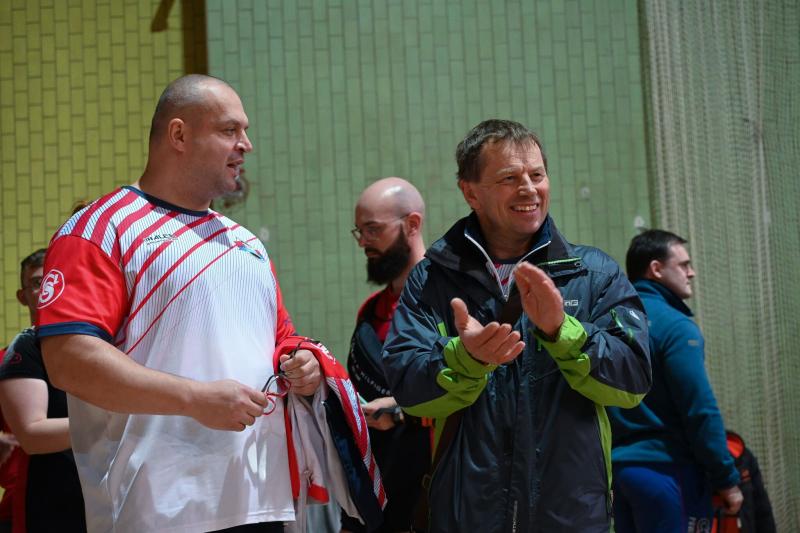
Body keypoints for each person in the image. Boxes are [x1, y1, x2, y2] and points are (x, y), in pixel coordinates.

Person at [37, 74, 323, 532]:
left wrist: (302, 363)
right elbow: (69, 360)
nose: (246, 144)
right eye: (229, 130)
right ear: (179, 135)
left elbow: (281, 341)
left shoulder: (247, 245)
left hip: (261, 503)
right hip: (156, 512)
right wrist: (194, 398)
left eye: (244, 131)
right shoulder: (100, 230)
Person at [381, 119, 652, 532]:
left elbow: (633, 382)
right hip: (466, 520)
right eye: (510, 178)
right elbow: (408, 387)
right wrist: (466, 359)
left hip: (572, 521)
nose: (529, 189)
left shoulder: (593, 273)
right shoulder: (432, 278)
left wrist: (563, 332)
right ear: (470, 192)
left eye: (537, 175)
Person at [607, 229, 743, 532]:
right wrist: (726, 478)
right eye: (683, 265)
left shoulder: (609, 322)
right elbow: (700, 408)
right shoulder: (676, 327)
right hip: (667, 472)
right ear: (656, 269)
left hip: (618, 475)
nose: (691, 273)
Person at [343, 177, 431, 533]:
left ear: (412, 224)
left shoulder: (448, 301)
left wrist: (400, 409)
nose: (363, 242)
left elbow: (472, 390)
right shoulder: (370, 312)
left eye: (373, 230)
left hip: (436, 490)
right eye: (360, 231)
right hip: (381, 493)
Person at [0, 248, 86, 532]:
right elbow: (32, 434)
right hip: (35, 501)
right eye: (38, 282)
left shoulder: (98, 348)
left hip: (97, 494)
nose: (50, 289)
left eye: (55, 279)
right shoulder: (15, 355)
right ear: (22, 296)